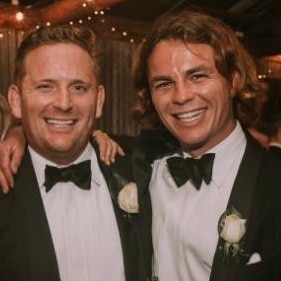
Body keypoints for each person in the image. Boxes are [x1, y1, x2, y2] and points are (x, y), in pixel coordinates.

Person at [1, 9, 281, 281]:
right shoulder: (146, 158)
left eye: (197, 76)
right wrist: (21, 130)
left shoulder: (130, 161)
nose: (182, 96)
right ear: (15, 100)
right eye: (163, 83)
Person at [0, 25, 152, 281]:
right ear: (16, 100)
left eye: (78, 87)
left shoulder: (141, 164)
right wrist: (18, 131)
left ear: (99, 100)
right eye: (45, 86)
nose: (63, 103)